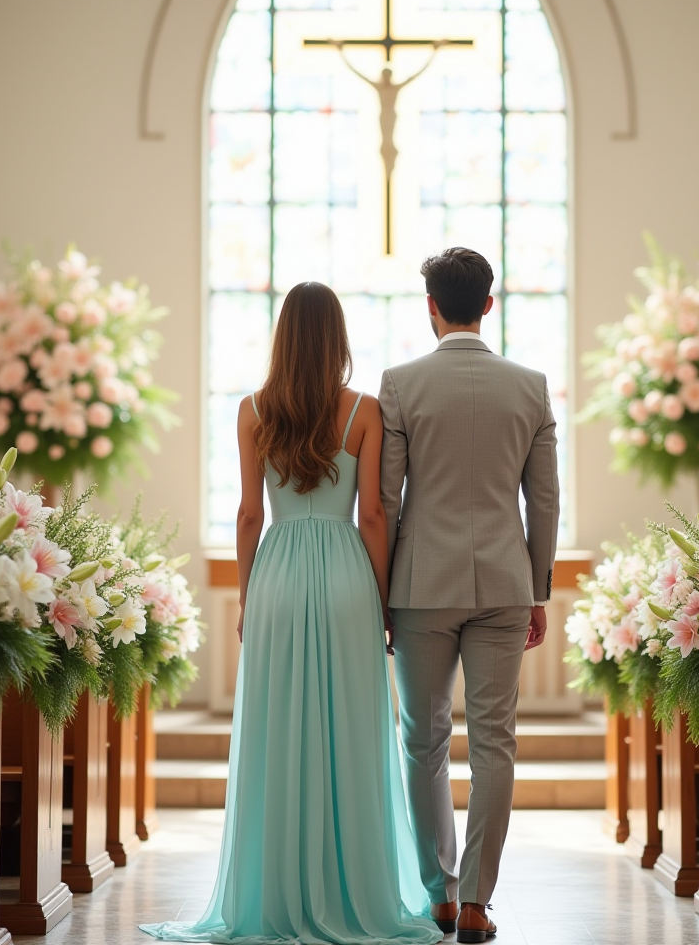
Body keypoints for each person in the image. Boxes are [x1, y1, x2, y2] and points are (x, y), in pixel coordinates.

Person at [140, 282, 442, 945]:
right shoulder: (363, 411)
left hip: (277, 572)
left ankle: (272, 894)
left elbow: (249, 514)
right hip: (345, 576)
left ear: (283, 338)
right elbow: (372, 515)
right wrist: (383, 601)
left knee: (277, 730)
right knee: (351, 728)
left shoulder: (252, 411)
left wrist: (250, 595)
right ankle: (352, 891)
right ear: (336, 339)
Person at [380, 247, 560, 945]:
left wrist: (383, 589)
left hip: (420, 586)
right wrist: (537, 588)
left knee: (423, 741)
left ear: (431, 307)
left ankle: (442, 896)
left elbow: (386, 501)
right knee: (496, 743)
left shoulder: (399, 385)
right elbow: (542, 500)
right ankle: (482, 903)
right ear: (489, 304)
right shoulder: (531, 386)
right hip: (505, 586)